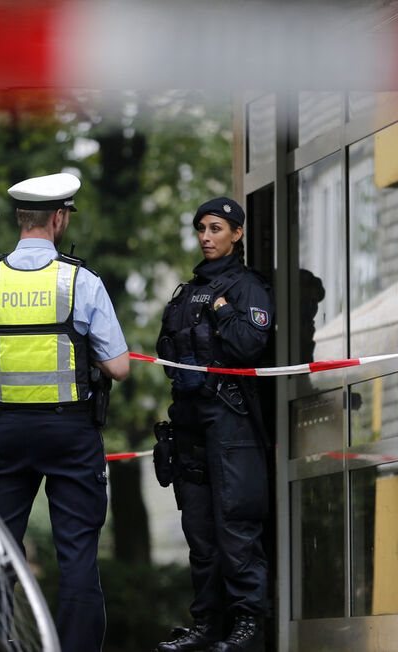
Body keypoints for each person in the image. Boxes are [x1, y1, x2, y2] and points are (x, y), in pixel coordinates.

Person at [0, 172, 130, 652]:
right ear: (58, 218)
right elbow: (119, 368)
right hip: (71, 432)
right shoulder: (80, 282)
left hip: (5, 433)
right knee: (77, 558)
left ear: (17, 220)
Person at [155, 197, 274, 652]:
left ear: (237, 234)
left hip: (231, 422)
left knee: (236, 525)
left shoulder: (248, 288)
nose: (207, 237)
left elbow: (248, 346)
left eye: (217, 228)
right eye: (202, 228)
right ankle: (206, 624)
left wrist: (224, 311)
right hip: (189, 424)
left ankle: (247, 626)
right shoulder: (186, 293)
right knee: (200, 531)